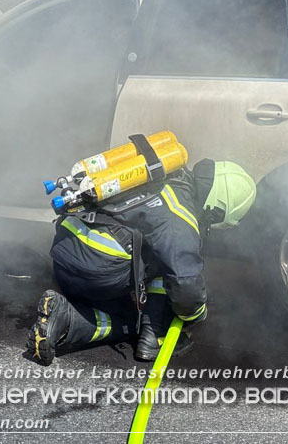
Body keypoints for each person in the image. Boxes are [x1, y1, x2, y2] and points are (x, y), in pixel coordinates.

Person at [27, 156, 257, 366]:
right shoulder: (180, 217)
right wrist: (197, 313)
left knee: (155, 258)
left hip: (64, 253)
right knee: (133, 315)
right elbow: (186, 286)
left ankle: (141, 331)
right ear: (215, 209)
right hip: (96, 272)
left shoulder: (161, 176)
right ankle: (72, 320)